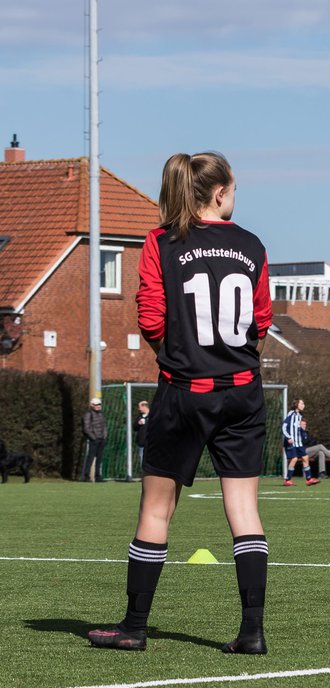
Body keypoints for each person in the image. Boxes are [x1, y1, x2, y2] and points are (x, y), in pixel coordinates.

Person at [89, 150, 274, 654]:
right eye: (234, 188)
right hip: (243, 390)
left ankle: (133, 627)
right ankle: (251, 632)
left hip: (183, 392)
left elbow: (150, 319)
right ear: (218, 193)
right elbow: (260, 321)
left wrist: (180, 355)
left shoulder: (160, 241)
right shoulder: (252, 245)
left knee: (155, 511)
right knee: (244, 510)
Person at [282, 399, 317, 486]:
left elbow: (298, 429)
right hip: (291, 442)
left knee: (305, 457)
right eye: (302, 403)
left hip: (298, 442)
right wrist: (288, 437)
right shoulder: (291, 413)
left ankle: (309, 479)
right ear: (296, 404)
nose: (303, 405)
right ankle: (287, 480)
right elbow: (284, 426)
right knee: (294, 459)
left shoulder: (300, 415)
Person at [81, 397, 106, 482]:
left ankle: (98, 477)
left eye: (99, 404)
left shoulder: (101, 414)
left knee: (99, 459)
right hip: (94, 440)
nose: (98, 406)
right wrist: (93, 437)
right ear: (92, 405)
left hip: (101, 439)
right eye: (96, 404)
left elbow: (104, 426)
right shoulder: (88, 414)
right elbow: (86, 428)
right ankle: (86, 476)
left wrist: (104, 436)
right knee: (90, 458)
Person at [134, 399, 150, 470]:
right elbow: (134, 427)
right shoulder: (139, 417)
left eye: (139, 406)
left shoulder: (153, 416)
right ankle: (143, 476)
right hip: (141, 443)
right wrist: (138, 423)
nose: (139, 409)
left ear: (144, 406)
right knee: (142, 460)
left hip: (150, 443)